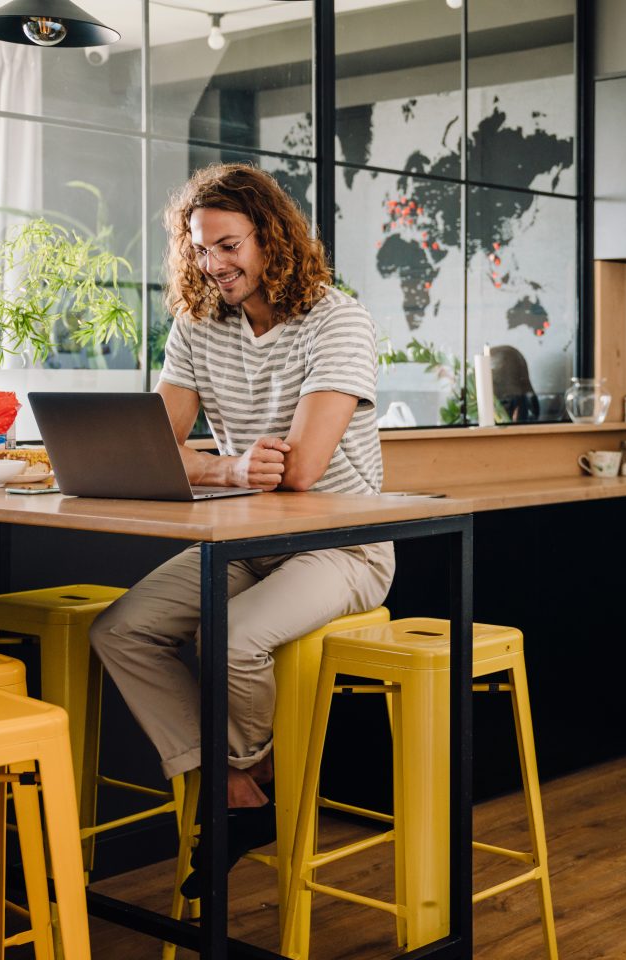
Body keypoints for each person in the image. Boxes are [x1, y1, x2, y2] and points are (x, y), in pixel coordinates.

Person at [89, 163, 394, 894]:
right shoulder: (199, 328)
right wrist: (226, 470)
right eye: (200, 249)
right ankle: (240, 789)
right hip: (245, 543)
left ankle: (246, 770)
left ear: (273, 238)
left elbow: (301, 469)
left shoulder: (337, 320)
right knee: (120, 631)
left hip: (342, 547)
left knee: (232, 639)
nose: (214, 265)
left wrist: (207, 463)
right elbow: (151, 448)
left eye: (228, 245)